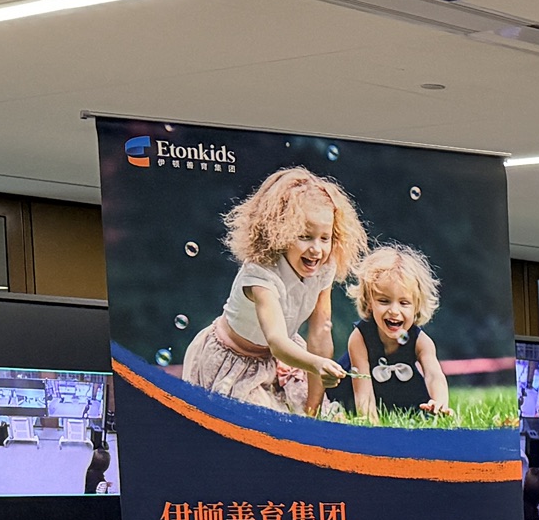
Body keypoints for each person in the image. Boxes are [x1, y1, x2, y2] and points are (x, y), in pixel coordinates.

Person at [178, 166, 362, 412]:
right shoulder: (260, 275)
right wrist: (316, 365)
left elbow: (320, 334)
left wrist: (314, 406)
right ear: (280, 233)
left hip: (284, 359)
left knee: (313, 419)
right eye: (305, 236)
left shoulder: (323, 268)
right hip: (235, 363)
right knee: (263, 424)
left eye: (325, 238)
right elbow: (276, 340)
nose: (316, 249)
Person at [344, 244, 450, 419]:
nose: (394, 311)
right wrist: (372, 425)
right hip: (353, 395)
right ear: (369, 302)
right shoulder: (359, 338)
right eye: (384, 301)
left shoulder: (422, 342)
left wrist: (439, 401)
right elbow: (363, 392)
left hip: (401, 397)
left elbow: (434, 375)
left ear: (417, 306)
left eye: (404, 303)